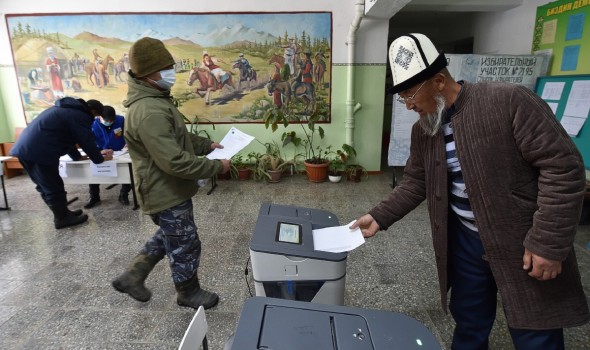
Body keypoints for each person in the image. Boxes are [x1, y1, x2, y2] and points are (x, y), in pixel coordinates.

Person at [351, 33, 589, 349]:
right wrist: (378, 217)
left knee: (536, 330)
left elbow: (563, 168)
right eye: (402, 98)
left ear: (438, 81)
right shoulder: (424, 130)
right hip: (464, 242)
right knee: (469, 321)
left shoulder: (509, 101)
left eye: (410, 95)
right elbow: (416, 181)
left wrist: (547, 243)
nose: (408, 106)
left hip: (522, 240)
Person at [112, 37, 231, 310]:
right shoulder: (149, 110)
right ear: (147, 73)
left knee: (170, 234)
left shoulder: (154, 100)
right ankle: (188, 292)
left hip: (167, 187)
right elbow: (174, 161)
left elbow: (175, 136)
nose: (172, 72)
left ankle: (134, 275)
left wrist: (206, 145)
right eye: (166, 67)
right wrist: (216, 167)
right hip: (164, 189)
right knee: (185, 242)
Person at [10, 98, 113, 229]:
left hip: (25, 150)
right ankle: (62, 219)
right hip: (40, 152)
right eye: (96, 115)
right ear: (92, 111)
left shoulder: (65, 110)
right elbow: (85, 139)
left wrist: (77, 157)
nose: (95, 118)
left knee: (45, 185)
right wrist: (99, 158)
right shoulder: (79, 115)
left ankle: (63, 213)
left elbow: (69, 138)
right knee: (52, 186)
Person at [84, 105, 131, 208]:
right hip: (101, 152)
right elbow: (89, 140)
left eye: (111, 120)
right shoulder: (93, 123)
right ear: (100, 116)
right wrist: (98, 151)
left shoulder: (121, 120)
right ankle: (94, 197)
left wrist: (128, 143)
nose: (109, 121)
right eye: (107, 120)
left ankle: (124, 194)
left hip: (120, 152)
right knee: (93, 174)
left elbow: (128, 133)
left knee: (126, 172)